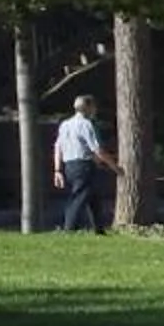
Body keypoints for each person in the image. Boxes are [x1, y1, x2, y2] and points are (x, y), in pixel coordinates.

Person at [52, 95, 118, 233]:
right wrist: (115, 167)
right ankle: (68, 228)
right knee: (79, 197)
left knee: (93, 197)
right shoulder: (86, 124)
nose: (95, 109)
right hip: (84, 165)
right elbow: (97, 149)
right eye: (93, 106)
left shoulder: (65, 125)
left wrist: (57, 170)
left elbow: (58, 147)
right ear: (88, 107)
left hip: (69, 165)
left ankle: (99, 229)